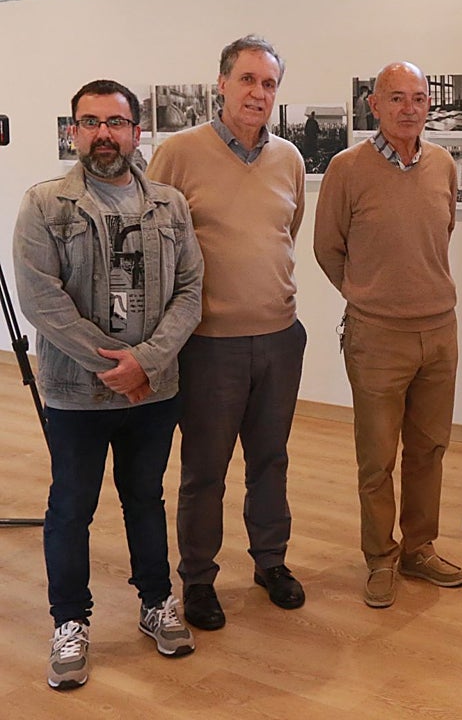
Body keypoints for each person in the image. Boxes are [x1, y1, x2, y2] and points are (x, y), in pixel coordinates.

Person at [15, 80, 204, 690]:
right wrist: (114, 366)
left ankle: (156, 603)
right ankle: (70, 621)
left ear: (137, 130)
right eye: (89, 122)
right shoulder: (44, 205)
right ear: (73, 131)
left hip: (154, 390)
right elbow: (42, 302)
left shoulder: (170, 205)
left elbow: (190, 292)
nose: (103, 133)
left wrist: (145, 362)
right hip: (76, 393)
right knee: (71, 506)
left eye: (115, 122)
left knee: (144, 497)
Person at [148, 35, 308, 630]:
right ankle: (198, 580)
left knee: (271, 460)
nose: (258, 93)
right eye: (247, 80)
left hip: (279, 336)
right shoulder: (180, 153)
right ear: (221, 84)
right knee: (205, 470)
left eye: (268, 84)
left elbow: (288, 229)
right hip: (208, 344)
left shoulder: (288, 158)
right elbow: (157, 242)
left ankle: (270, 563)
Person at [314, 61, 462, 608]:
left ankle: (419, 549)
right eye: (396, 98)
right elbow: (327, 248)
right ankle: (381, 557)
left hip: (439, 331)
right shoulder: (346, 168)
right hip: (376, 336)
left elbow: (440, 233)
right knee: (377, 458)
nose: (409, 108)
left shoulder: (444, 164)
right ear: (373, 106)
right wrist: (369, 295)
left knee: (429, 449)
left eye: (419, 98)